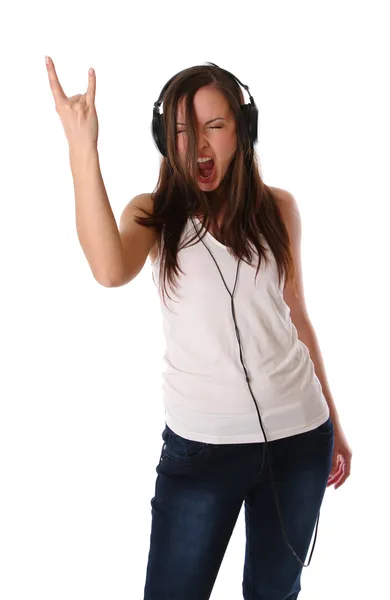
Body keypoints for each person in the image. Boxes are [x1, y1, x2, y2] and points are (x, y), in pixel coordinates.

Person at [45, 57, 352, 600]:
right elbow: (109, 270)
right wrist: (81, 149)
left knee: (275, 592)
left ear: (243, 129)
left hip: (299, 437)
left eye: (216, 126)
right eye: (184, 131)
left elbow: (295, 314)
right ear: (166, 140)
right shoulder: (155, 215)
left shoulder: (280, 209)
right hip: (202, 449)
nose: (200, 145)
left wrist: (334, 423)